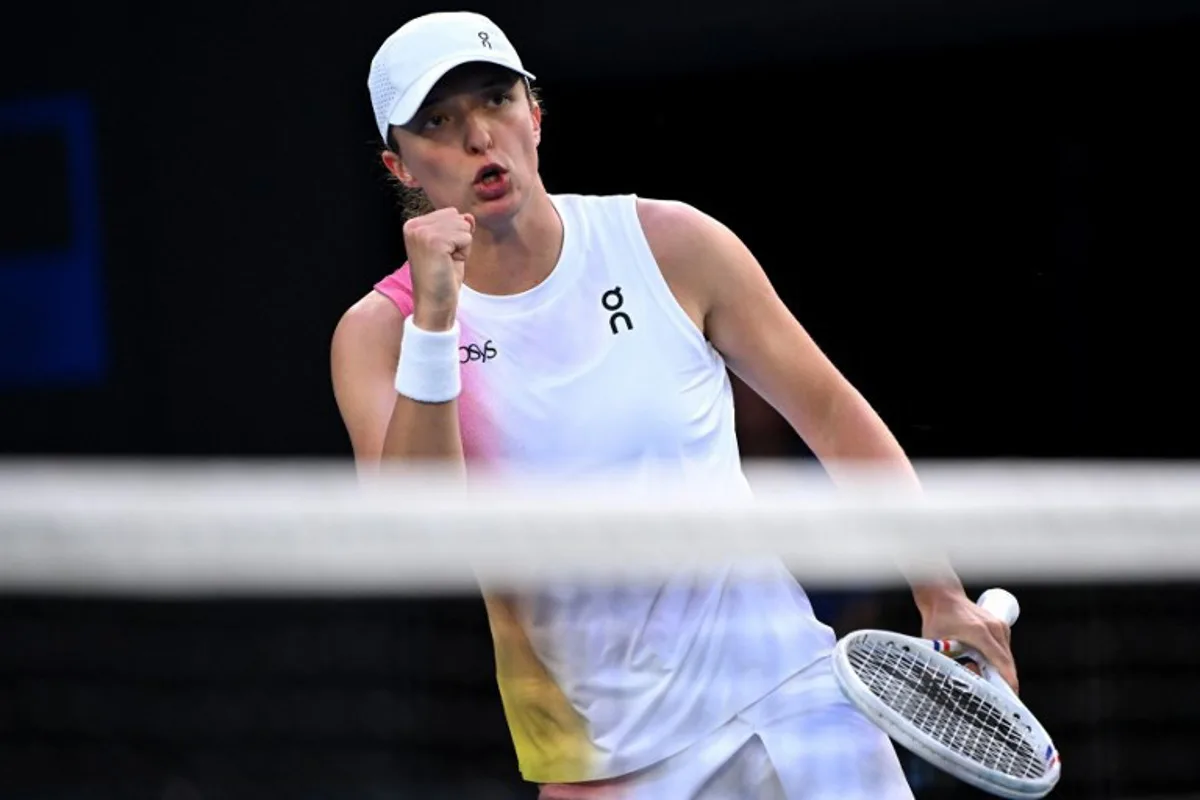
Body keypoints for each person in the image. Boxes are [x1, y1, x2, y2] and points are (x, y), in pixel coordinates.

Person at [331, 11, 1018, 799]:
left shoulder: (668, 245)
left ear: (536, 114)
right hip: (604, 761)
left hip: (793, 701)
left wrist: (941, 592)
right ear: (402, 164)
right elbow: (417, 539)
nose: (479, 136)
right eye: (439, 122)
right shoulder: (380, 332)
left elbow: (832, 415)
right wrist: (437, 320)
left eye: (496, 100)